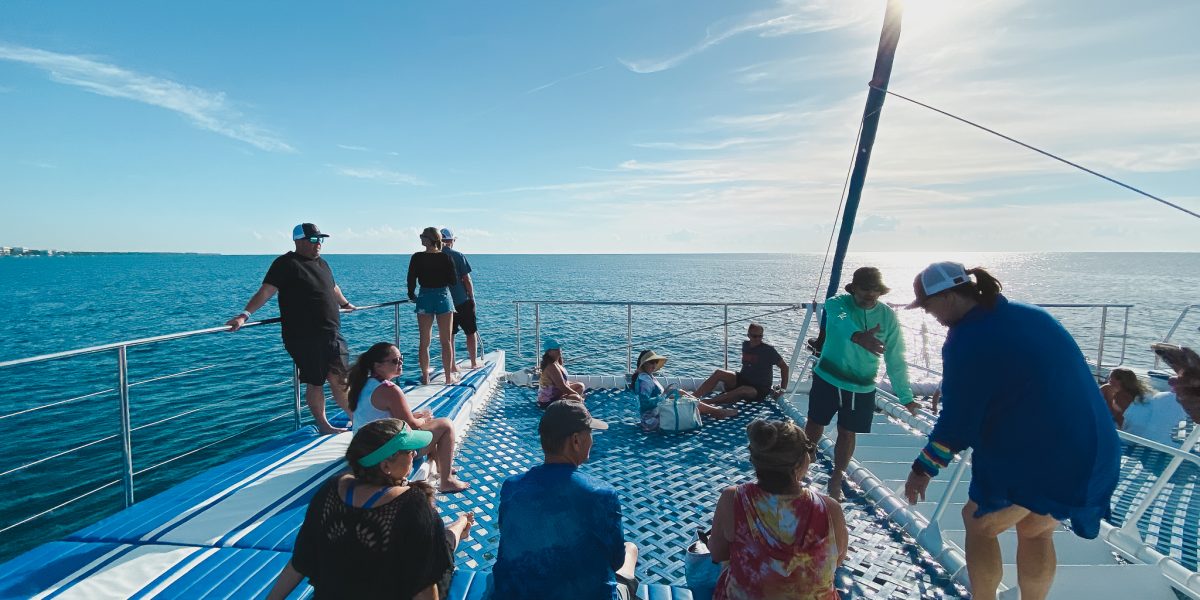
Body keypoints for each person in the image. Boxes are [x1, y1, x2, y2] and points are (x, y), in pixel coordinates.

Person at [902, 262, 1119, 600]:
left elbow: (958, 424)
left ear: (947, 296)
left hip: (1041, 456)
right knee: (1035, 530)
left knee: (978, 523)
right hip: (1091, 447)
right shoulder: (1031, 315)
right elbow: (1020, 373)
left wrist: (923, 468)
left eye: (928, 307)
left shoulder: (967, 339)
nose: (930, 315)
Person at [266, 419, 474, 600]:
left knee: (435, 540)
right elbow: (424, 589)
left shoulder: (330, 490)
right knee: (442, 548)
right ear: (385, 467)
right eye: (409, 451)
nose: (413, 454)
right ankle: (462, 522)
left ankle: (460, 524)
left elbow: (299, 562)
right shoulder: (413, 505)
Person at [489, 400, 639, 600]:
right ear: (576, 440)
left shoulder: (512, 486)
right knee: (631, 550)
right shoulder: (601, 494)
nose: (592, 441)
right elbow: (616, 561)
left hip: (517, 593)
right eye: (590, 434)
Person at [226, 223, 356, 435]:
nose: (319, 245)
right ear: (299, 241)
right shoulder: (286, 264)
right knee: (315, 381)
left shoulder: (323, 264)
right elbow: (266, 291)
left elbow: (333, 288)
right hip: (305, 336)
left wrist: (345, 304)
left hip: (331, 332)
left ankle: (356, 419)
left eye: (320, 240)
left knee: (340, 379)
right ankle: (324, 426)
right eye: (314, 240)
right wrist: (244, 315)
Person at [805, 266, 918, 501]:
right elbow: (839, 318)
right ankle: (804, 462)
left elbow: (896, 358)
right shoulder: (839, 304)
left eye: (875, 290)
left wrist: (906, 397)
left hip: (862, 387)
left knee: (847, 433)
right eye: (865, 288)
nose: (870, 294)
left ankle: (837, 477)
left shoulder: (888, 316)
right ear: (854, 288)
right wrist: (858, 336)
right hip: (828, 378)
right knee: (815, 424)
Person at [709, 419, 848, 600]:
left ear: (754, 460)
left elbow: (717, 553)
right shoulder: (830, 509)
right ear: (800, 463)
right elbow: (837, 560)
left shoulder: (733, 499)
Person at [346, 342, 470, 493]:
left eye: (401, 359)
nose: (400, 363)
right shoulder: (389, 390)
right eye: (394, 361)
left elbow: (386, 417)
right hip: (386, 451)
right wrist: (423, 419)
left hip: (365, 447)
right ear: (377, 366)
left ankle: (440, 465)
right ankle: (447, 481)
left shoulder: (363, 384)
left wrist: (416, 418)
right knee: (445, 425)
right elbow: (412, 426)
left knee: (428, 423)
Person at [633, 350, 737, 432]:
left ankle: (714, 410)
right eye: (651, 362)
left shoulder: (646, 376)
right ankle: (717, 411)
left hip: (656, 412)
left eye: (655, 362)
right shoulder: (644, 380)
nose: (654, 365)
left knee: (680, 393)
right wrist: (664, 395)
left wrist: (665, 394)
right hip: (651, 420)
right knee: (682, 396)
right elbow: (645, 403)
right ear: (644, 364)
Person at [408, 227, 459, 385]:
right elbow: (453, 281)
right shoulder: (446, 258)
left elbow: (411, 279)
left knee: (424, 341)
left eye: (422, 236)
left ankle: (426, 377)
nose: (420, 238)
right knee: (446, 341)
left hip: (424, 297)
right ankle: (448, 378)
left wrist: (412, 295)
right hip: (443, 297)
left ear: (429, 239)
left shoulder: (417, 257)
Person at [693, 323, 790, 404]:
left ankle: (707, 402)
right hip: (743, 379)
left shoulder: (768, 350)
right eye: (754, 336)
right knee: (719, 373)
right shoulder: (746, 345)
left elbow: (784, 367)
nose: (758, 339)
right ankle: (693, 397)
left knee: (743, 389)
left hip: (759, 389)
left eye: (760, 336)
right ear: (748, 335)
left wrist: (782, 390)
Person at [440, 228, 482, 369]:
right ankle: (474, 363)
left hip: (445, 303)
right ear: (452, 240)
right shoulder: (458, 255)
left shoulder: (435, 257)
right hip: (461, 300)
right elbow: (466, 278)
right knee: (470, 332)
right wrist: (472, 297)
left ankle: (452, 366)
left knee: (449, 336)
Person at [1121, 385, 1189, 447]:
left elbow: (1129, 425)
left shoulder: (1154, 398)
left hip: (1135, 440)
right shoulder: (1177, 402)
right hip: (1161, 445)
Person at [537, 338, 585, 408]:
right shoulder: (551, 366)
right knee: (576, 398)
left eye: (559, 348)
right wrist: (578, 395)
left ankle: (566, 402)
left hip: (557, 395)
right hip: (548, 402)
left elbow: (562, 382)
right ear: (549, 352)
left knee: (580, 386)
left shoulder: (556, 362)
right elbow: (562, 387)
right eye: (555, 349)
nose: (559, 350)